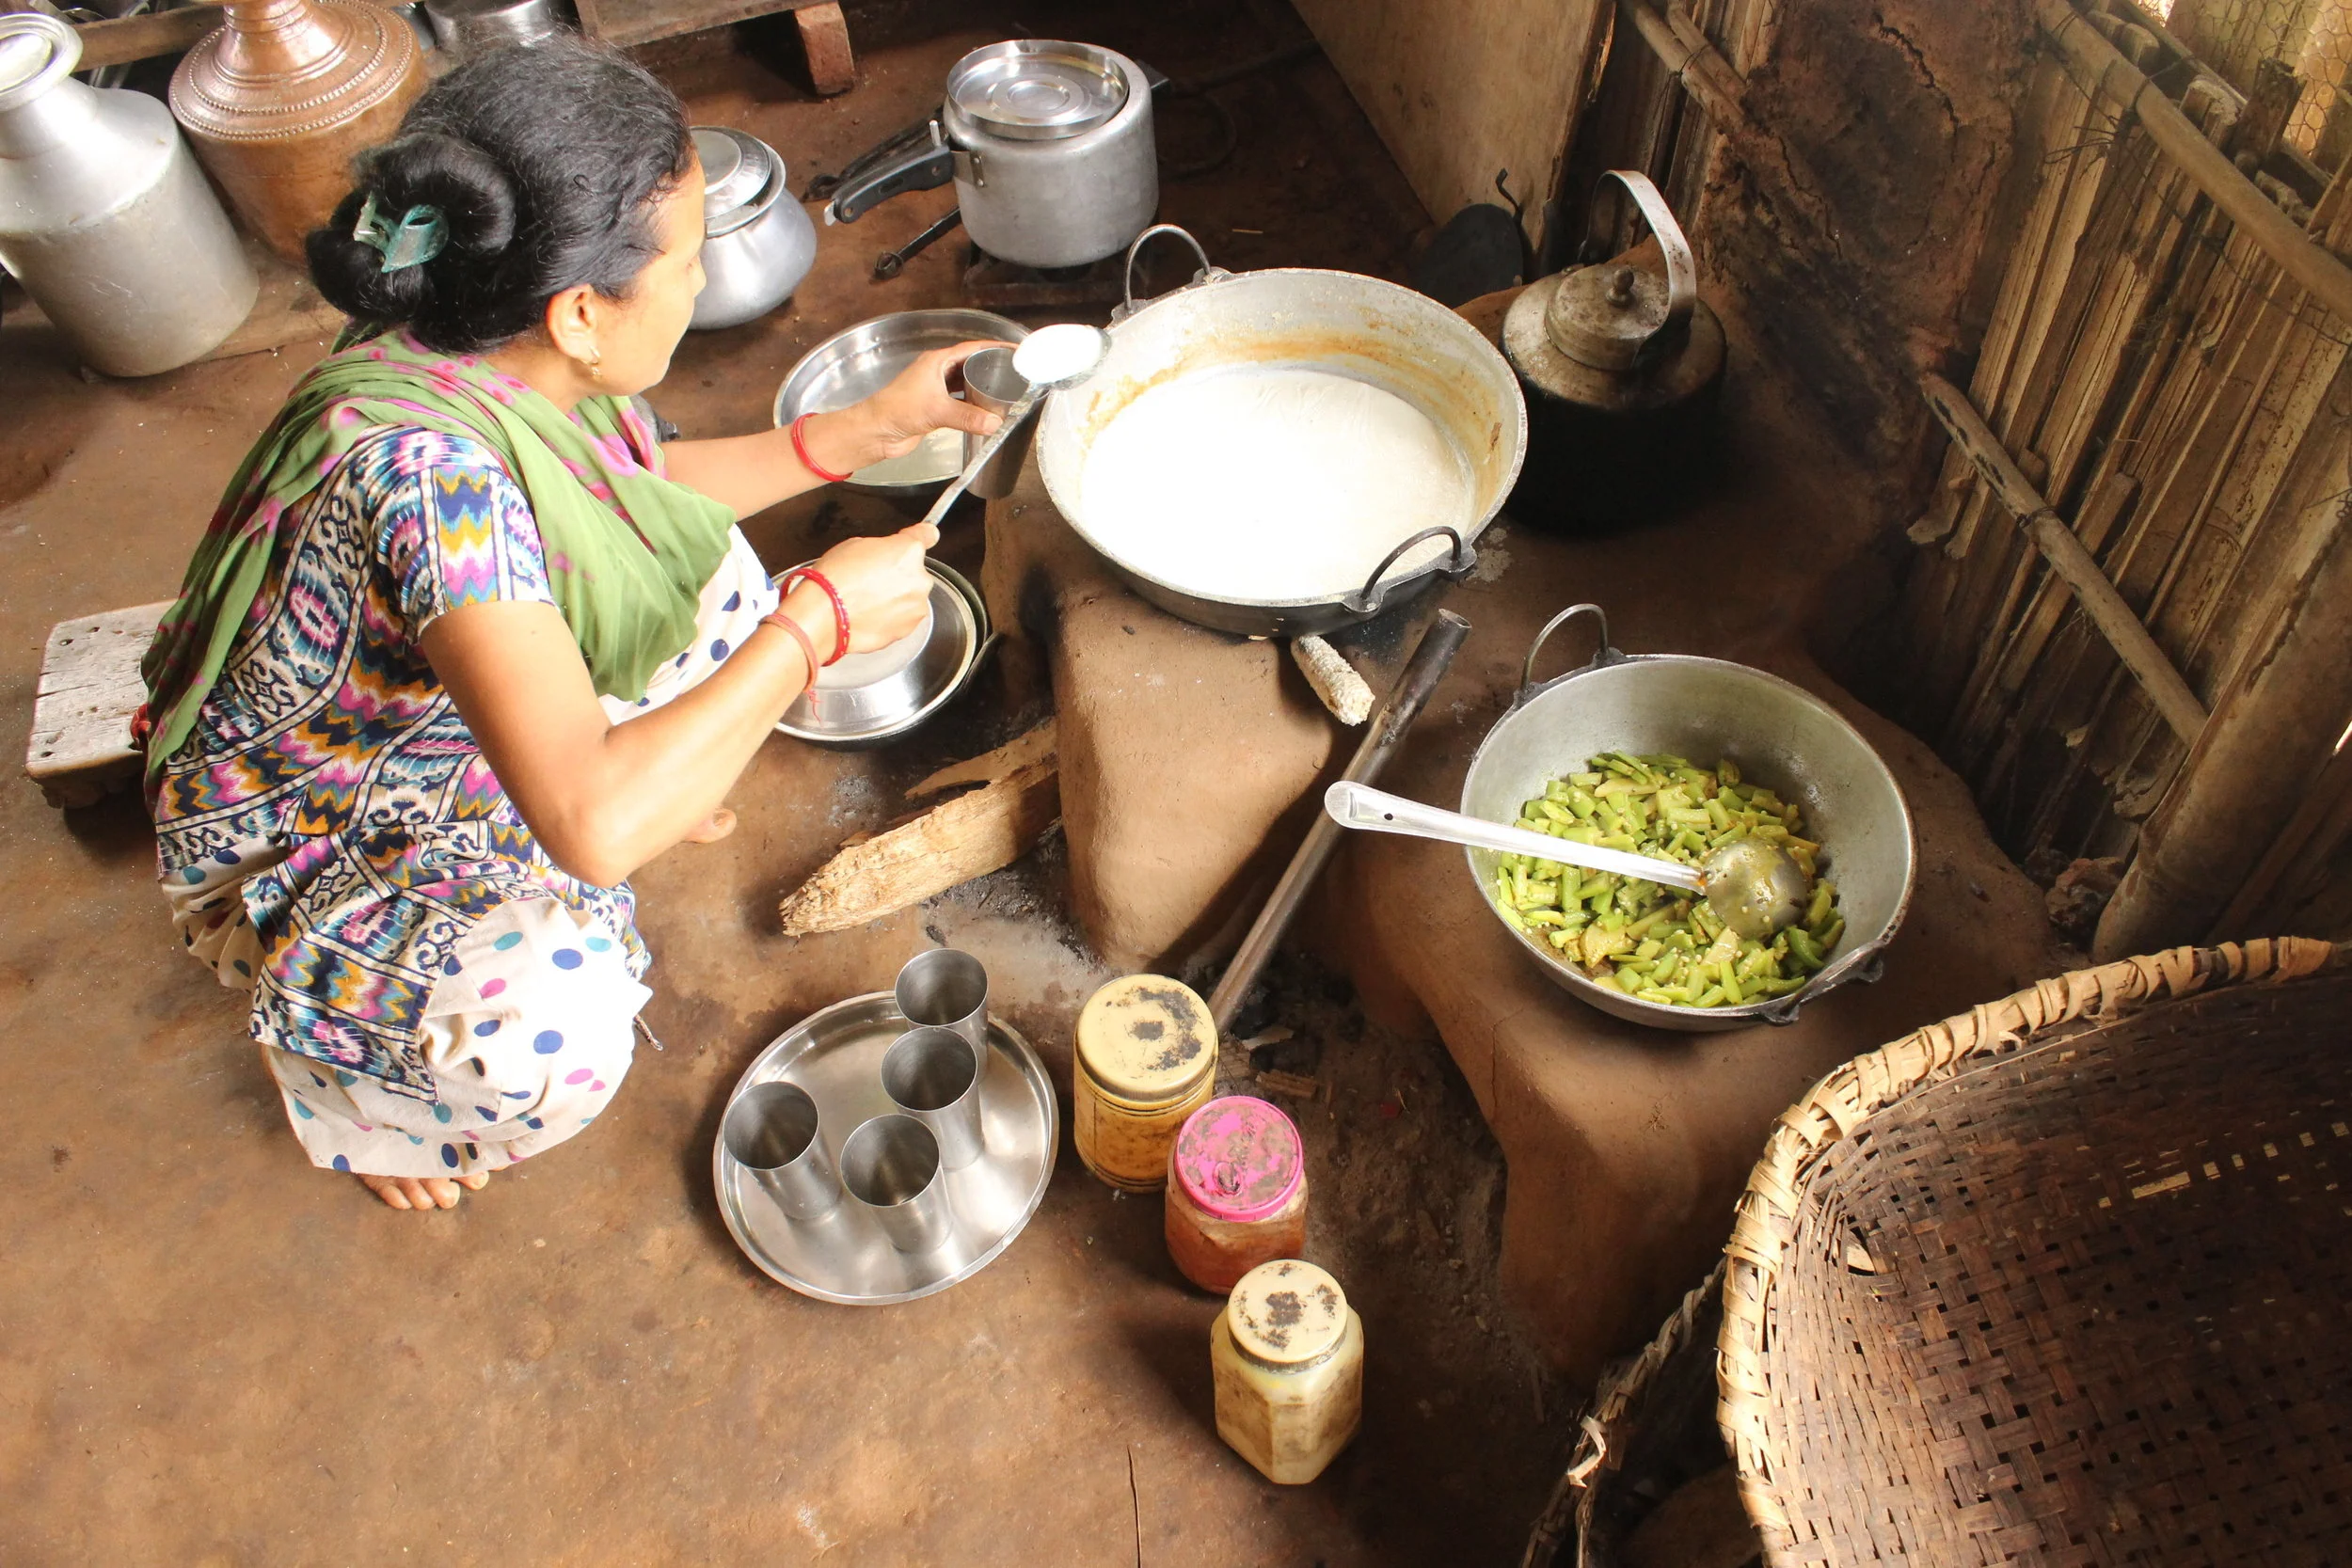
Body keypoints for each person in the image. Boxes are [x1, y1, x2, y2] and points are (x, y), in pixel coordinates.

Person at [140, 39, 1001, 1212]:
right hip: (315, 829)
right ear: (583, 309)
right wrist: (820, 621)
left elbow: (631, 504)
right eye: (690, 261)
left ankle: (646, 764)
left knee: (704, 584)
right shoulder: (436, 485)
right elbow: (595, 829)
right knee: (554, 1026)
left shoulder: (476, 334)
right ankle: (355, 1083)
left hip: (435, 710)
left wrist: (852, 436)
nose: (699, 285)